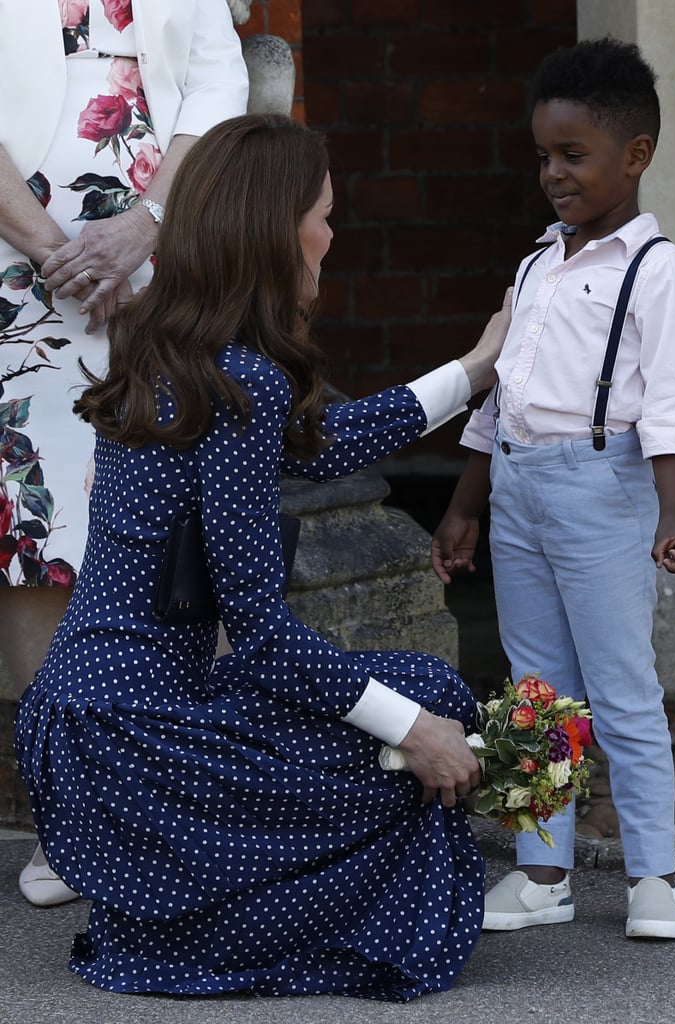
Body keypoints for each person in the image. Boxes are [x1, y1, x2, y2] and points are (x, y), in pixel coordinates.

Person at [14, 113, 512, 999]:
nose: (332, 232)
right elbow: (263, 633)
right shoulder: (237, 383)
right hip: (135, 742)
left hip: (80, 727)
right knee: (425, 708)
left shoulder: (177, 352)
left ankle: (183, 913)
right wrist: (418, 735)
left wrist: (474, 368)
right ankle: (207, 928)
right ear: (275, 231)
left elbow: (317, 442)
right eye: (322, 213)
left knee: (409, 706)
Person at [432, 37, 675, 941]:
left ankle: (653, 878)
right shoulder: (535, 265)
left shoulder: (658, 270)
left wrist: (671, 516)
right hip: (516, 488)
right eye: (543, 157)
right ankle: (542, 871)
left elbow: (671, 407)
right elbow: (500, 393)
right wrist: (464, 504)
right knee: (536, 690)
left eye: (573, 156)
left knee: (621, 687)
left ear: (636, 154)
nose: (552, 175)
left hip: (605, 491)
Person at [0, 1, 249, 904]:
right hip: (18, 274)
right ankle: (65, 818)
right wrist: (57, 254)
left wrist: (146, 223)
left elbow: (220, 83)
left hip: (171, 250)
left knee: (197, 517)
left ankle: (194, 800)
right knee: (39, 530)